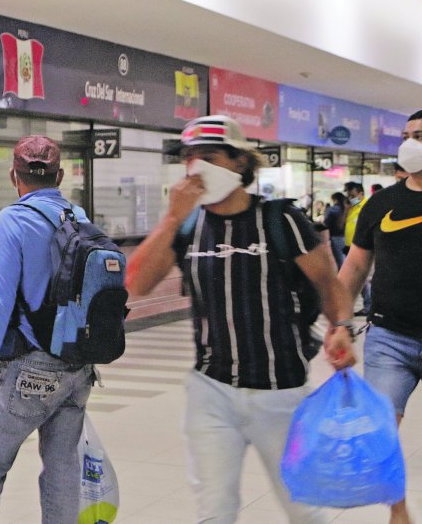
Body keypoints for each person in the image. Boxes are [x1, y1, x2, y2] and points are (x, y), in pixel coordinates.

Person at [127, 115, 355, 524]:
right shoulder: (189, 225)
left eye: (209, 156)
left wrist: (342, 327)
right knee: (215, 511)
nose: (196, 167)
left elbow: (327, 282)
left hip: (281, 390)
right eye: (188, 158)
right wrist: (171, 218)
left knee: (303, 508)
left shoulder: (280, 220)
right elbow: (138, 283)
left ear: (239, 162)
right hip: (211, 390)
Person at [0, 136, 92, 524]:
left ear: (13, 176)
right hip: (78, 366)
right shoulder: (79, 217)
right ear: (60, 176)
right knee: (62, 465)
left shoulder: (12, 219)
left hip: (32, 367)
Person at [338, 109, 422, 524]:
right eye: (406, 136)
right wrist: (339, 323)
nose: (411, 144)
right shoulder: (382, 203)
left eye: (420, 135)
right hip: (391, 338)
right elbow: (355, 267)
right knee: (379, 435)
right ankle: (398, 514)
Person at [344, 181, 372, 313]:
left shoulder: (367, 207)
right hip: (351, 247)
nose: (351, 198)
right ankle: (368, 304)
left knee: (363, 278)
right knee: (358, 278)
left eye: (353, 196)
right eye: (349, 196)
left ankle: (369, 305)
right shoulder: (352, 207)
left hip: (363, 248)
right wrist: (346, 210)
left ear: (361, 194)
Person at [322, 191, 349, 267]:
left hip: (335, 236)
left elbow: (326, 223)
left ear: (335, 200)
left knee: (339, 260)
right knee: (346, 258)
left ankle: (342, 274)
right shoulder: (348, 208)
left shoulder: (331, 209)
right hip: (348, 236)